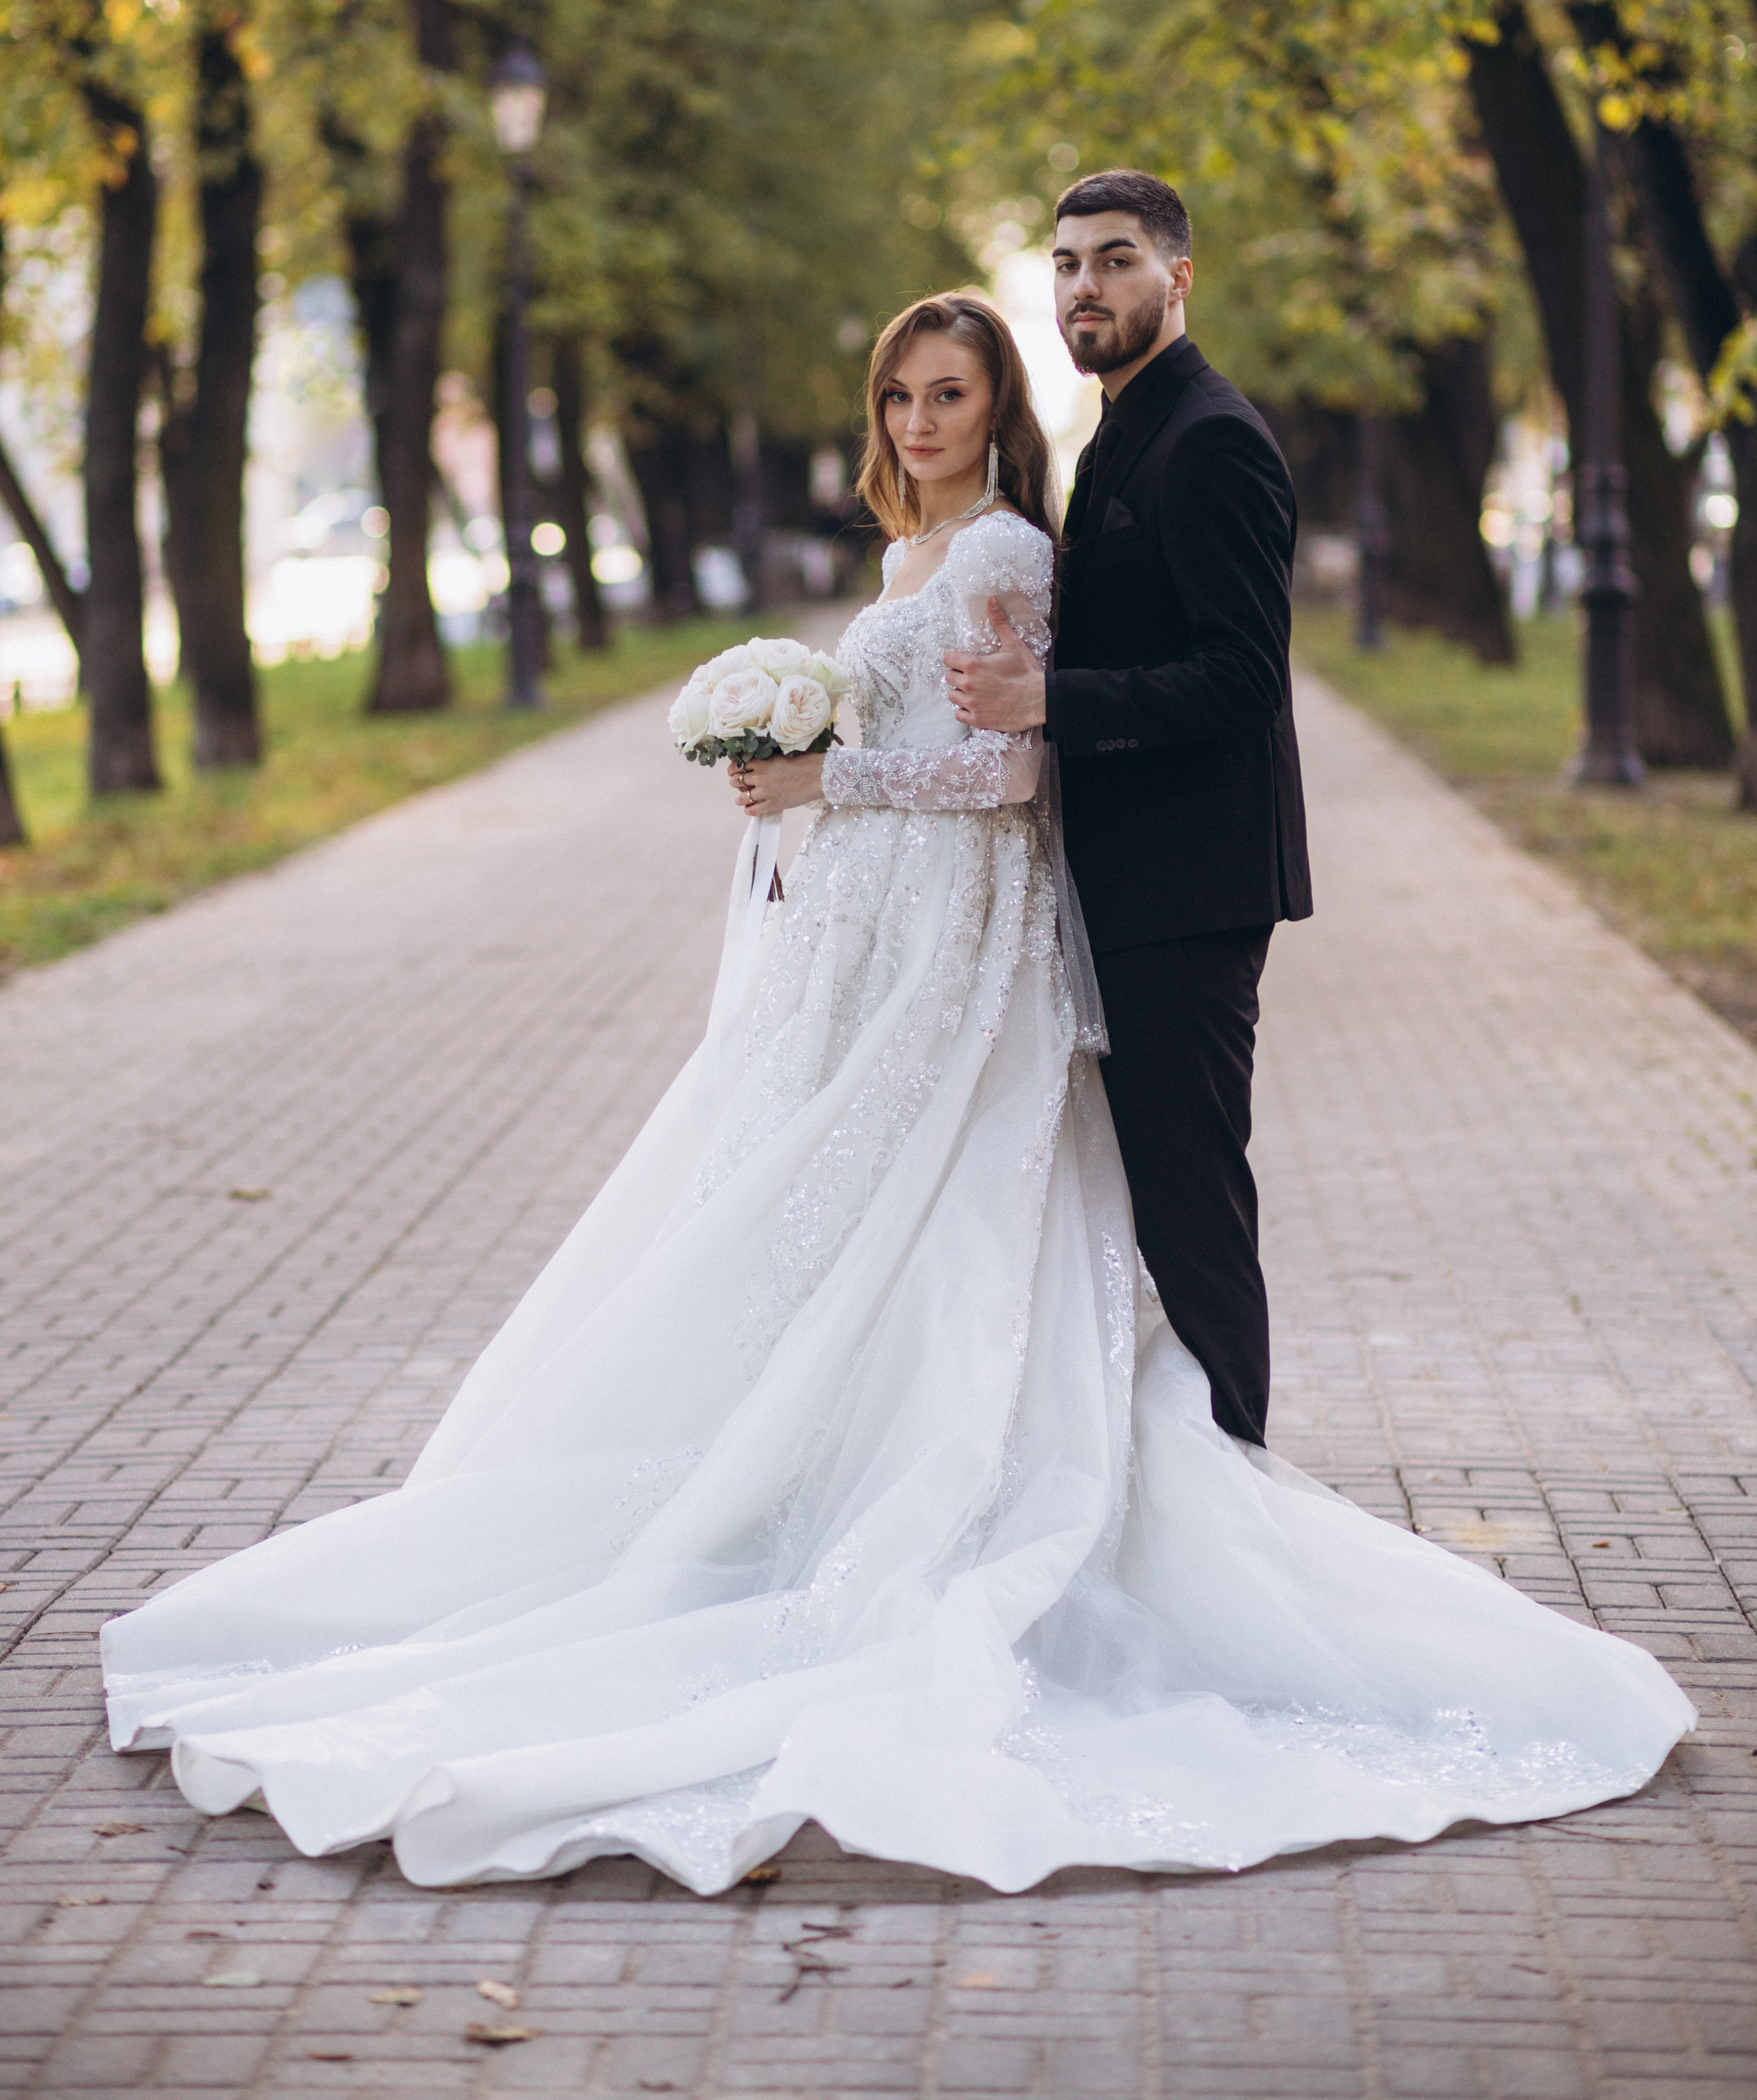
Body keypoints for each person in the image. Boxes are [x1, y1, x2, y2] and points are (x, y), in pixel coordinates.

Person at [103, 289, 1689, 1897]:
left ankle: (915, 1512)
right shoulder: (899, 560)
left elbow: (1005, 774)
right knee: (803, 1206)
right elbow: (917, 734)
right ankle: (780, 1487)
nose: (921, 421)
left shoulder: (1001, 553)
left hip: (951, 936)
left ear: (994, 416)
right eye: (901, 396)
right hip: (862, 922)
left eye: (950, 396)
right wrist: (783, 784)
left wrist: (823, 774)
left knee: (921, 1206)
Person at [943, 168, 1309, 1449]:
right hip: (1129, 879)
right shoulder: (1121, 431)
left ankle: (1237, 1475)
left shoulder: (1208, 437)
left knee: (1191, 1199)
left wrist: (1051, 696)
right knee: (1152, 1193)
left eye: (1114, 260)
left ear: (1178, 278)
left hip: (1189, 888)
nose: (1084, 287)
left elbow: (1245, 674)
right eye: (1066, 264)